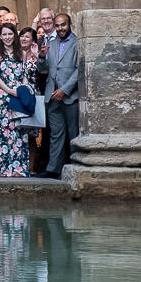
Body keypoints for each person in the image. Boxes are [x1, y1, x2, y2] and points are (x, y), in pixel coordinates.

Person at [36, 12, 79, 178]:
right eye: (58, 25)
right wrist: (41, 58)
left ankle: (77, 167)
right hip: (52, 96)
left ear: (70, 25)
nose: (60, 28)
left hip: (70, 96)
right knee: (56, 134)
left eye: (63, 25)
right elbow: (43, 69)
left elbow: (78, 70)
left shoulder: (77, 43)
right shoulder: (51, 44)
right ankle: (53, 169)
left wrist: (64, 90)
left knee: (73, 134)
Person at [0, 23, 32, 177]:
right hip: (2, 96)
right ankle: (4, 169)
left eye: (10, 34)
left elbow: (25, 75)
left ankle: (19, 169)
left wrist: (24, 91)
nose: (7, 37)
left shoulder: (22, 54)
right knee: (2, 133)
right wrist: (9, 90)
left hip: (18, 96)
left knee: (19, 132)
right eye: (4, 34)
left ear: (15, 36)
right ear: (0, 36)